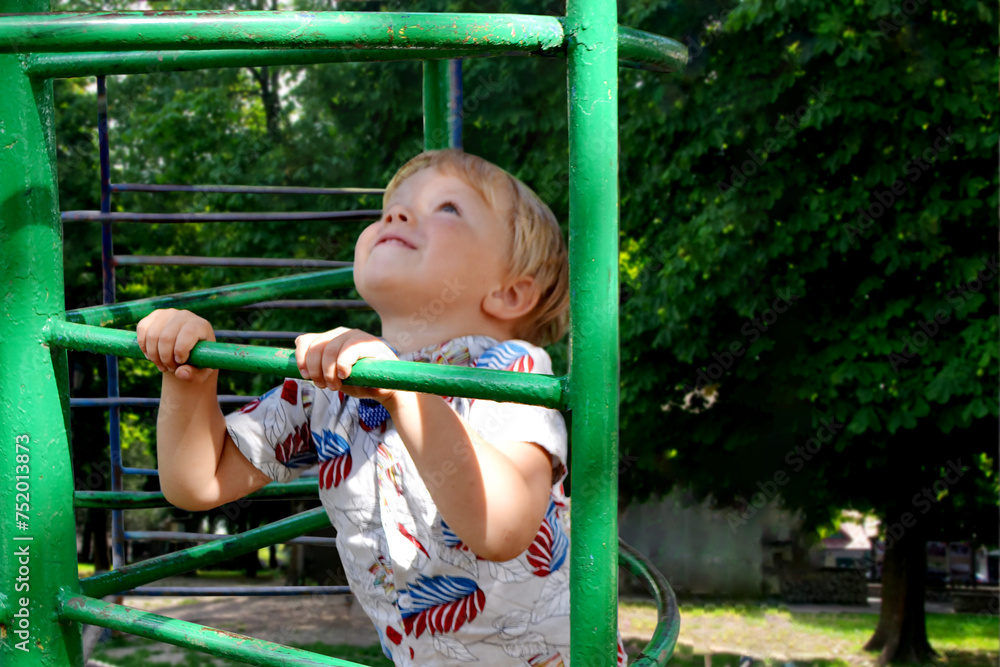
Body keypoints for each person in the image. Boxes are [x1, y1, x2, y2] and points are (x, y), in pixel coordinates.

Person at [137, 149, 627, 666]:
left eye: (448, 209)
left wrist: (402, 390)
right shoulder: (329, 385)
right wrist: (189, 376)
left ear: (510, 293)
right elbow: (198, 482)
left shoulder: (508, 369)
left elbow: (502, 528)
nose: (395, 215)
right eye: (391, 208)